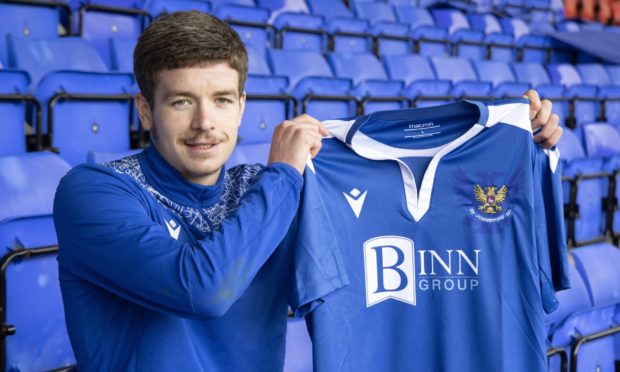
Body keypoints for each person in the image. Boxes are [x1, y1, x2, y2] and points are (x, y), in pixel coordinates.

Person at [53, 10, 563, 371]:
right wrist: (282, 174)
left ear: (243, 105)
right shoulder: (95, 192)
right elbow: (202, 288)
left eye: (222, 100)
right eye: (182, 102)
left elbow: (425, 224)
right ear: (145, 110)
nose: (205, 123)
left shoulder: (273, 189)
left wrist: (521, 145)